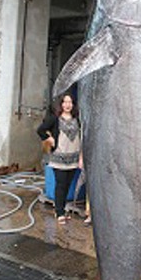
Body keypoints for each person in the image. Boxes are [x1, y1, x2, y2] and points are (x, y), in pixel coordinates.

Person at [36, 93, 83, 225]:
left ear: (73, 105)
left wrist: (81, 157)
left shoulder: (77, 119)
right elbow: (40, 130)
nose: (67, 105)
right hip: (59, 159)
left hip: (73, 158)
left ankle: (61, 209)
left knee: (68, 185)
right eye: (65, 102)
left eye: (70, 102)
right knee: (60, 185)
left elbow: (82, 138)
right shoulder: (55, 119)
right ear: (61, 104)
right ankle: (59, 212)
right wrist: (49, 139)